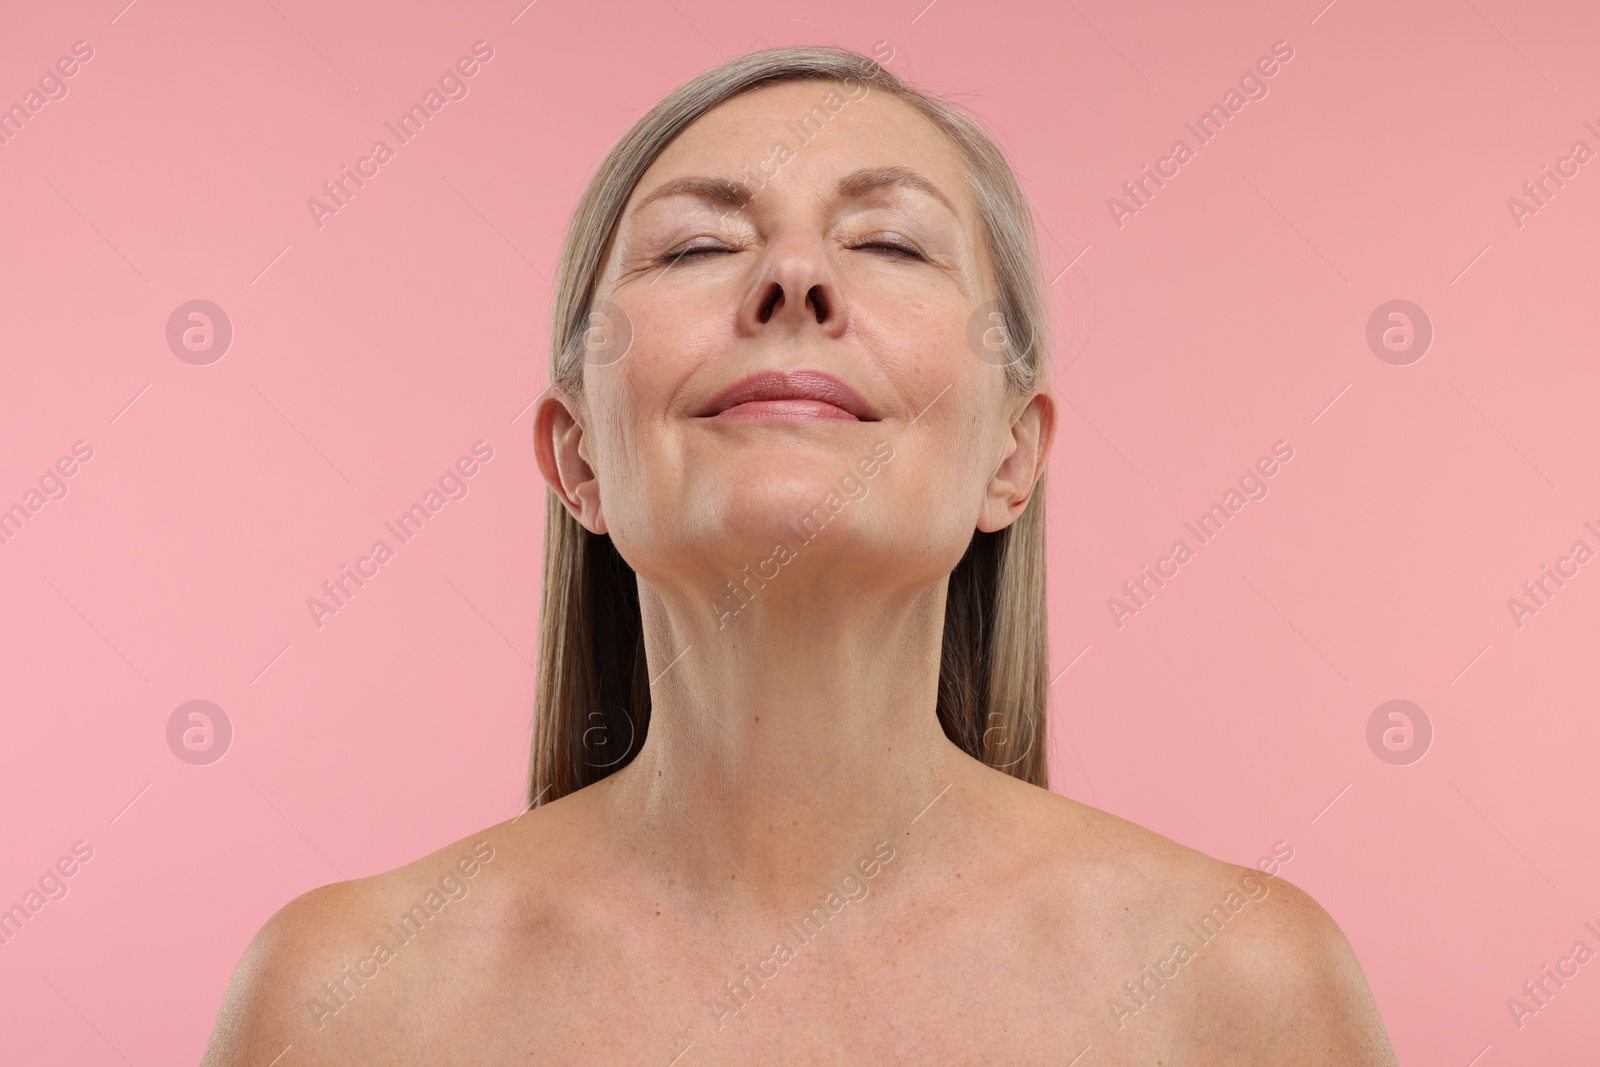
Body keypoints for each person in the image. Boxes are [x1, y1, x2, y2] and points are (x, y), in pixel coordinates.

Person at [201, 46, 1399, 1064]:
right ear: (577, 461)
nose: (794, 275)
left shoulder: (1241, 993)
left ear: (1011, 457)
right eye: (691, 248)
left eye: (887, 241)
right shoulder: (346, 1001)